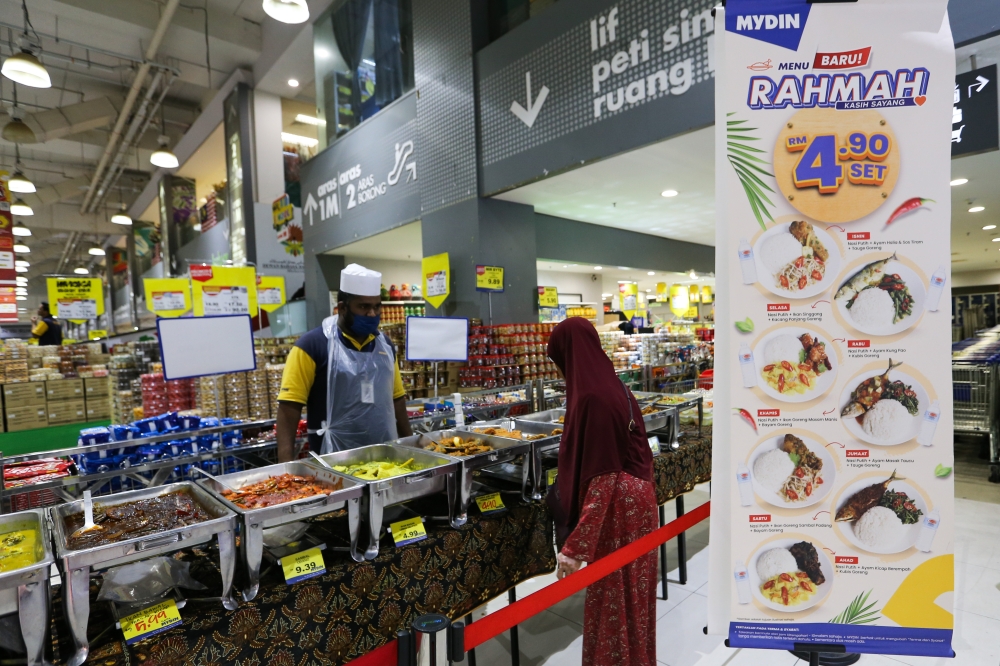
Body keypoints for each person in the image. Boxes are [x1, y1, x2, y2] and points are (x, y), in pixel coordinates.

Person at [546, 317, 657, 665]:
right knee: (631, 597)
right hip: (636, 499)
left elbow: (603, 475)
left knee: (613, 600)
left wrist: (575, 546)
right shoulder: (612, 384)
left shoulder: (592, 396)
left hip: (618, 506)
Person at [275, 263, 413, 461]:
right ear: (341, 308)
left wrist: (409, 447)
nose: (372, 314)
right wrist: (285, 467)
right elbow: (289, 408)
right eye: (364, 307)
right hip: (332, 460)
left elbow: (397, 399)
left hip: (385, 460)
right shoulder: (312, 346)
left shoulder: (385, 347)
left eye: (376, 307)